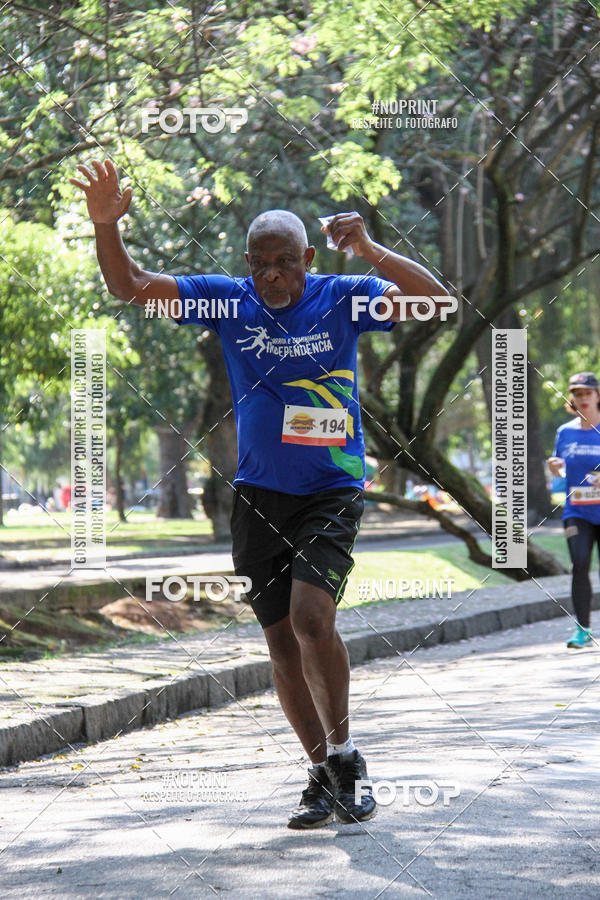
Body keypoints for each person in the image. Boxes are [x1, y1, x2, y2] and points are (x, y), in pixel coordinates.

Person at [70, 158, 450, 828]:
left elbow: (437, 302)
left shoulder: (343, 296)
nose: (272, 276)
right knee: (281, 646)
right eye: (260, 264)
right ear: (247, 264)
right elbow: (129, 286)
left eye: (284, 263)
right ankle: (321, 774)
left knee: (312, 620)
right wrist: (106, 225)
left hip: (331, 488)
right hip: (256, 496)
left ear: (308, 258)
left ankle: (347, 757)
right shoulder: (226, 300)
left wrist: (370, 249)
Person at [547, 372, 600, 649]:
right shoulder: (565, 432)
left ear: (597, 396)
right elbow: (560, 469)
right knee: (579, 564)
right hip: (577, 510)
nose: (583, 398)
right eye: (578, 394)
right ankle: (583, 630)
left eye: (588, 393)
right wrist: (554, 467)